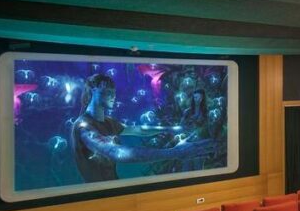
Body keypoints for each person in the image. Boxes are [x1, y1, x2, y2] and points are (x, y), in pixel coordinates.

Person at [70, 74, 212, 183]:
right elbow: (115, 152)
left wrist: (171, 129)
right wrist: (175, 152)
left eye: (113, 90)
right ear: (92, 91)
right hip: (98, 198)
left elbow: (137, 130)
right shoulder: (84, 126)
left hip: (113, 188)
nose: (113, 95)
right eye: (107, 90)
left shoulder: (108, 122)